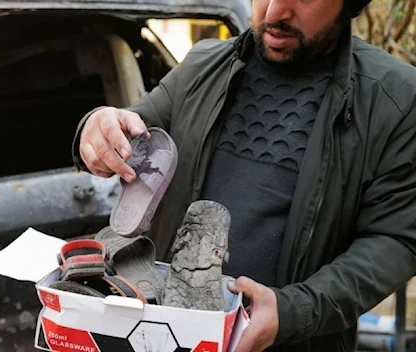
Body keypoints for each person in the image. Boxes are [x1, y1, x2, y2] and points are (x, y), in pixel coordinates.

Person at [71, 0, 416, 351]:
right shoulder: (200, 66)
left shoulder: (395, 99)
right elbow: (132, 126)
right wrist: (97, 128)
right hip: (167, 335)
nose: (273, 14)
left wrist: (294, 310)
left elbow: (397, 240)